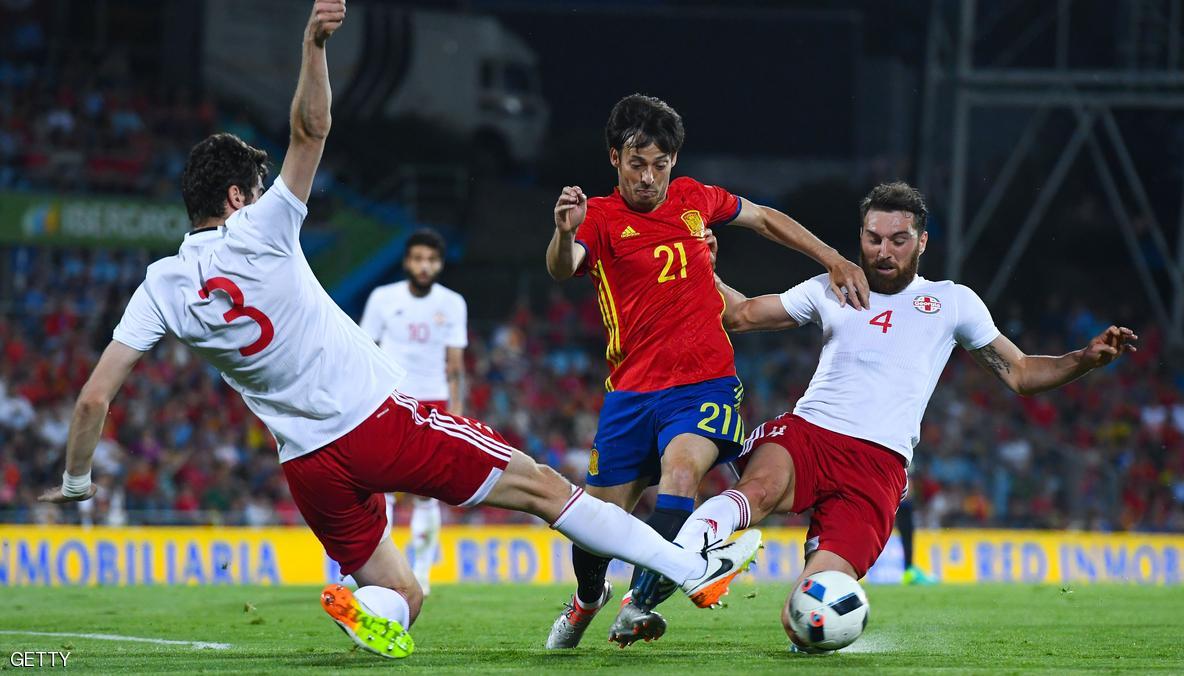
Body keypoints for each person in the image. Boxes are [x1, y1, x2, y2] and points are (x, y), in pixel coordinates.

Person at [35, 1, 763, 661]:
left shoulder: (160, 285)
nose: (262, 196)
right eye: (252, 190)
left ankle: (368, 604)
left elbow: (95, 398)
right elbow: (310, 127)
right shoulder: (262, 228)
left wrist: (75, 481)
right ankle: (690, 567)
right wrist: (314, 47)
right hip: (379, 422)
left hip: (308, 466)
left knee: (402, 595)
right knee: (545, 489)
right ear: (236, 197)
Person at [674, 180, 1137, 648]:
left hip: (878, 467)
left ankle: (725, 572)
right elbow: (741, 315)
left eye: (898, 240)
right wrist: (701, 269)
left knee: (806, 618)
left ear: (922, 241)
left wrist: (1083, 358)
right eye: (873, 239)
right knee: (760, 488)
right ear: (860, 236)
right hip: (811, 432)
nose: (883, 251)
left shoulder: (952, 301)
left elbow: (1019, 373)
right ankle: (687, 558)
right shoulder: (831, 287)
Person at [544, 93, 871, 648]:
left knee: (680, 474)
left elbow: (765, 219)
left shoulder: (696, 199)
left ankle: (638, 604)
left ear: (673, 161)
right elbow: (561, 269)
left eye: (660, 164)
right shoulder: (596, 218)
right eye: (636, 163)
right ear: (614, 159)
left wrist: (833, 258)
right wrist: (564, 232)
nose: (649, 177)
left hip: (703, 383)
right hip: (630, 392)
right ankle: (588, 599)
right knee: (595, 525)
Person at [359, 228, 467, 595]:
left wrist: (457, 414)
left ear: (439, 264)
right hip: (388, 399)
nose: (424, 266)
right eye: (418, 259)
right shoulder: (382, 299)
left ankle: (421, 572)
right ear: (407, 262)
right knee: (380, 489)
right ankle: (381, 571)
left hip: (433, 402)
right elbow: (366, 351)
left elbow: (455, 366)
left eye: (431, 260)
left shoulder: (452, 303)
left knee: (426, 493)